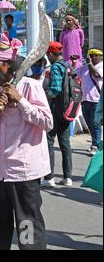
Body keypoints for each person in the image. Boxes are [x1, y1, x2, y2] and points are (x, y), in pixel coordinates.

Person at [0, 43, 53, 250]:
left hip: (24, 172)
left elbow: (47, 123)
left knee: (27, 225)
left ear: (9, 64)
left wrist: (20, 101)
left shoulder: (31, 86)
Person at [42, 42, 73, 188]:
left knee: (49, 141)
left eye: (48, 54)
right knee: (65, 144)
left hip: (56, 109)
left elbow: (55, 89)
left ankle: (49, 177)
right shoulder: (67, 65)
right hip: (68, 109)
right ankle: (68, 177)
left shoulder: (55, 67)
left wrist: (44, 98)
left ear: (51, 54)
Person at [76, 48, 103, 155]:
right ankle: (95, 143)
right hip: (85, 99)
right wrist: (73, 63)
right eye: (91, 55)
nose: (93, 57)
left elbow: (96, 75)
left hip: (97, 100)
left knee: (95, 124)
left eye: (96, 55)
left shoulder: (100, 66)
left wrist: (89, 63)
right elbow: (73, 74)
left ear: (101, 56)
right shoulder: (85, 67)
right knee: (90, 124)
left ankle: (95, 146)